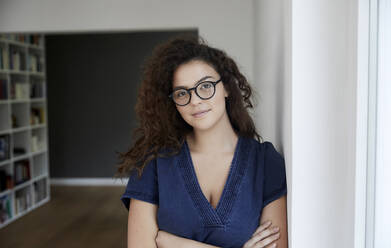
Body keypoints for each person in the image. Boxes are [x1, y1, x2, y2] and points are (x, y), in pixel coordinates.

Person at [115, 34, 288, 248]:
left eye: (205, 86)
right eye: (181, 93)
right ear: (173, 102)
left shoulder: (265, 162)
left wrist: (174, 243)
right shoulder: (154, 163)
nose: (195, 100)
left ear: (226, 87)